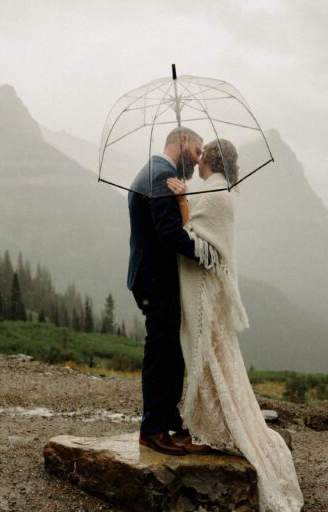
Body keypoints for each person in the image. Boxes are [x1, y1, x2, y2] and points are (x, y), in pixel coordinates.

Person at [165, 139, 304, 511]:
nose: (196, 158)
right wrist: (186, 195)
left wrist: (181, 199)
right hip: (210, 289)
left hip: (204, 291)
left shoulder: (211, 195)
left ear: (208, 158)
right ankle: (208, 424)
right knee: (214, 354)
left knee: (206, 353)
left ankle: (208, 429)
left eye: (201, 152)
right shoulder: (221, 191)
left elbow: (192, 238)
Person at [127, 126, 219, 456]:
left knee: (170, 349)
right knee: (160, 351)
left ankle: (167, 414)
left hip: (155, 277)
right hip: (155, 279)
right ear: (181, 142)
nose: (198, 159)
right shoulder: (160, 175)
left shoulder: (158, 172)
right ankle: (152, 428)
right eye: (196, 150)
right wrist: (209, 253)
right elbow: (168, 233)